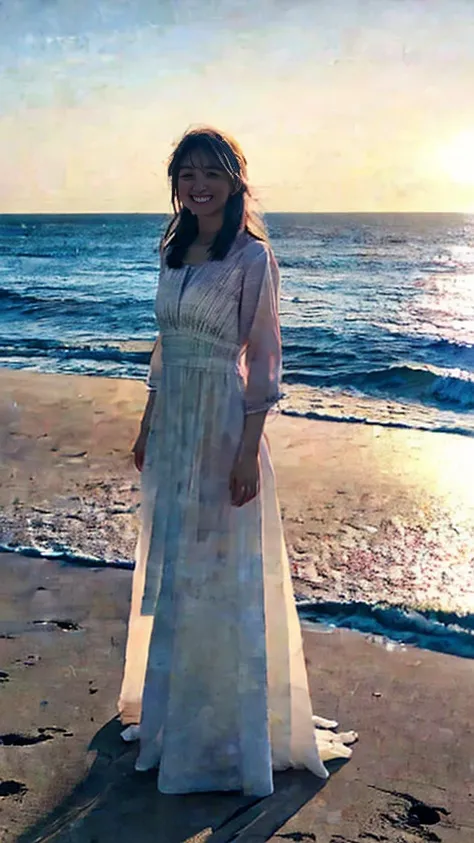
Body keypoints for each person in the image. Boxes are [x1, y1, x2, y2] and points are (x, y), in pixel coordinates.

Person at [117, 126, 357, 796]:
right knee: (180, 566)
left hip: (223, 426)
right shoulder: (174, 250)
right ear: (176, 183)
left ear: (233, 180)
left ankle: (223, 728)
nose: (199, 186)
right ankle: (174, 713)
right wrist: (147, 425)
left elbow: (265, 363)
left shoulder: (252, 258)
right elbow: (163, 349)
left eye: (211, 174)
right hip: (175, 427)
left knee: (222, 571)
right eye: (187, 175)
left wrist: (247, 451)